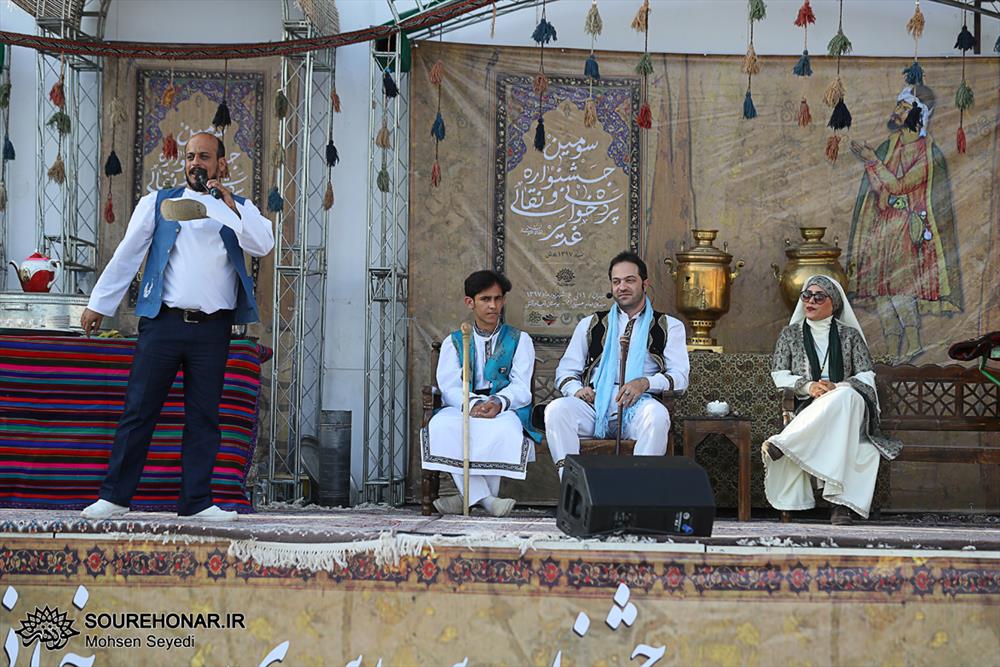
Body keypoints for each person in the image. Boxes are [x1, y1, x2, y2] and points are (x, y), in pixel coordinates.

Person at [80, 132, 275, 522]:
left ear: (221, 164)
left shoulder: (240, 208)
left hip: (212, 330)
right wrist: (99, 303)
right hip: (164, 324)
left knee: (203, 417)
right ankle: (115, 497)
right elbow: (128, 253)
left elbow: (262, 245)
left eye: (204, 156)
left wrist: (227, 205)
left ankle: (197, 502)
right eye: (189, 157)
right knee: (139, 411)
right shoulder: (157, 202)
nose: (195, 163)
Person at [763, 275, 902, 525]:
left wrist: (837, 386)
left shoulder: (850, 336)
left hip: (851, 402)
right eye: (806, 295)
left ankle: (785, 443)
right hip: (811, 404)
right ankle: (839, 507)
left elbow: (865, 375)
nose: (810, 301)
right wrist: (809, 386)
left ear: (834, 303)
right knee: (845, 431)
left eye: (819, 297)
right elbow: (779, 373)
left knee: (845, 396)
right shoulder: (790, 334)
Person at [544, 252, 689, 475]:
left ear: (645, 284)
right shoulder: (591, 324)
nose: (622, 287)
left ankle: (637, 489)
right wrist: (577, 390)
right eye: (616, 281)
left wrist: (644, 383)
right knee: (557, 410)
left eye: (630, 280)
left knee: (658, 416)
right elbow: (565, 372)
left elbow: (680, 378)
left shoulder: (669, 326)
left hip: (639, 405)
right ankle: (573, 485)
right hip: (595, 406)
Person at [847, 84, 963, 362]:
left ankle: (912, 345)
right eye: (898, 105)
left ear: (918, 114)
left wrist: (873, 162)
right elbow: (879, 188)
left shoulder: (927, 153)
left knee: (900, 288)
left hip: (907, 229)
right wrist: (874, 166)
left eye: (904, 107)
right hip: (883, 227)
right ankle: (891, 353)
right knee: (882, 289)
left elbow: (900, 186)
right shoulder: (890, 146)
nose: (897, 111)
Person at [421, 270, 543, 517]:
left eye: (498, 299)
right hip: (462, 405)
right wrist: (472, 403)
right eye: (485, 299)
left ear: (504, 300)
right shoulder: (455, 341)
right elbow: (449, 385)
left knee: (503, 428)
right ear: (470, 302)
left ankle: (465, 498)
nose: (493, 305)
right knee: (442, 425)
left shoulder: (520, 340)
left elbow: (521, 386)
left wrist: (497, 402)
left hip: (504, 407)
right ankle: (487, 500)